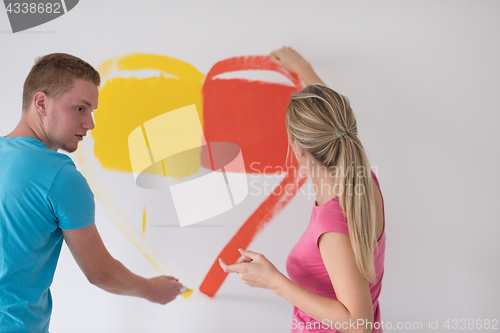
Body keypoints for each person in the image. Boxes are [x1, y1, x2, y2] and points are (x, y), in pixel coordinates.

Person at [0, 53, 183, 333]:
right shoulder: (60, 176)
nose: (90, 123)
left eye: (92, 111)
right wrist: (151, 289)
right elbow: (100, 273)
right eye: (80, 109)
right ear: (41, 103)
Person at [220, 47, 386, 333]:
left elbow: (359, 324)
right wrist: (304, 69)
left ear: (297, 150)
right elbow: (331, 121)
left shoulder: (333, 225)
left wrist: (274, 282)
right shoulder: (364, 179)